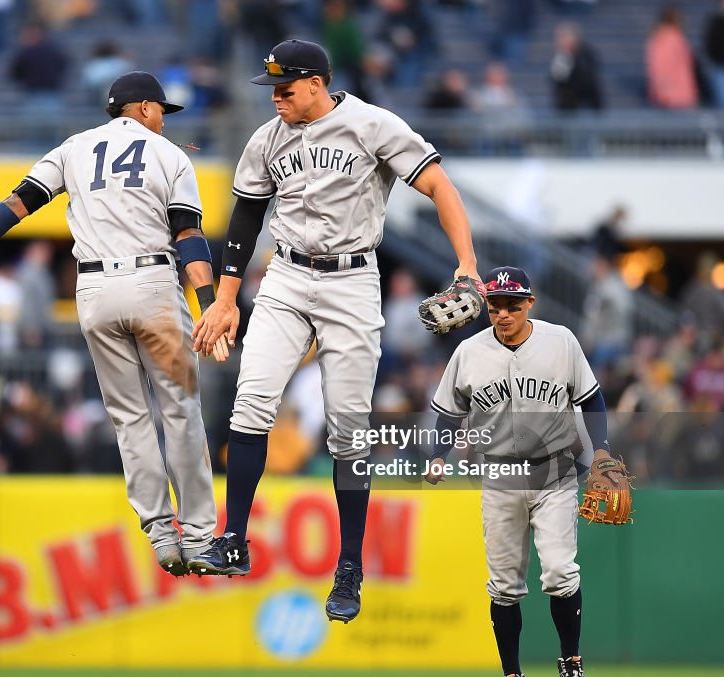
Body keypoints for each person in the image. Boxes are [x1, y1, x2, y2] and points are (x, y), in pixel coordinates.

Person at [188, 39, 482, 623]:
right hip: (287, 275)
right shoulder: (267, 137)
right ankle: (234, 537)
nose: (275, 97)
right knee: (250, 404)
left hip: (352, 279)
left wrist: (467, 267)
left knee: (349, 431)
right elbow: (246, 214)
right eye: (271, 88)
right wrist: (225, 297)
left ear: (317, 83)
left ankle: (349, 566)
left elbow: (439, 186)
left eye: (285, 88)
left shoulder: (371, 124)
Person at [0, 71, 228, 575]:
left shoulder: (74, 148)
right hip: (152, 285)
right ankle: (195, 538)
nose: (163, 122)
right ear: (146, 108)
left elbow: (15, 205)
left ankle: (159, 535)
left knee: (130, 417)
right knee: (180, 410)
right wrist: (210, 304)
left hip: (94, 294)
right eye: (161, 112)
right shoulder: (170, 155)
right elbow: (189, 236)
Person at [425, 266, 621, 677]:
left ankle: (571, 661)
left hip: (554, 474)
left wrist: (601, 449)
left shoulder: (560, 341)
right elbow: (447, 413)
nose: (503, 314)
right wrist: (439, 454)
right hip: (499, 477)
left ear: (530, 304)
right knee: (504, 587)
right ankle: (511, 672)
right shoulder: (469, 352)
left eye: (512, 306)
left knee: (560, 573)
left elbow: (591, 399)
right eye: (495, 306)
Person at [646, 5, 698, 109]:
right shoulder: (667, 38)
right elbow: (659, 66)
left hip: (678, 93)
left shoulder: (666, 37)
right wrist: (663, 90)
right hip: (674, 95)